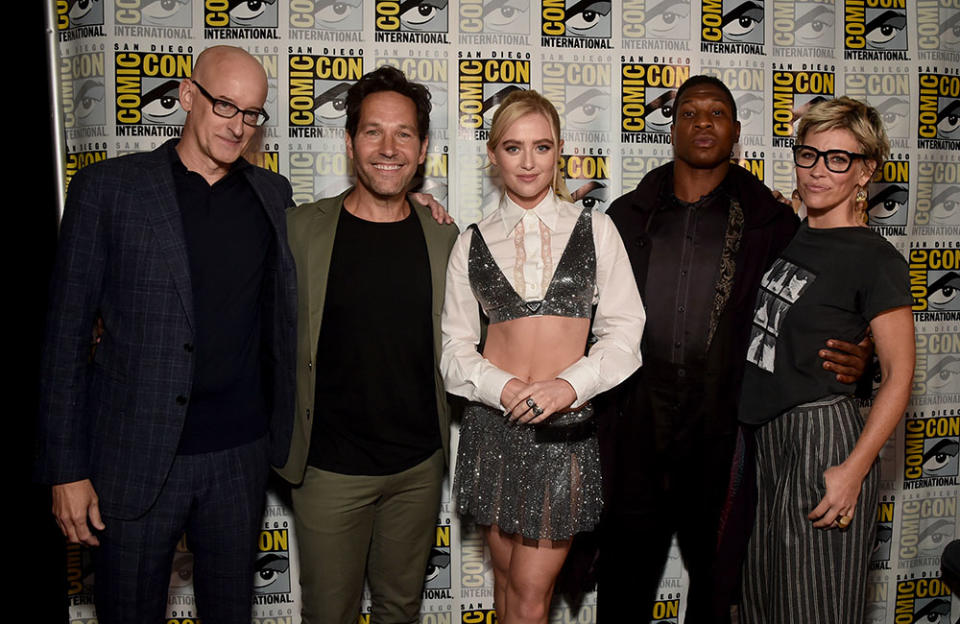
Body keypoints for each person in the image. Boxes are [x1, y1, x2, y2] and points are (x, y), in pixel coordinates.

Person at [36, 45, 296, 623]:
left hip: (240, 456)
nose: (239, 126)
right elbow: (64, 339)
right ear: (186, 95)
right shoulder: (108, 190)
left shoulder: (273, 196)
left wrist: (417, 202)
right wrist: (66, 469)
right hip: (134, 455)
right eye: (226, 105)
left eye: (253, 113)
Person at [599, 75, 872, 623]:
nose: (704, 122)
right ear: (672, 128)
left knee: (720, 589)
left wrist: (863, 357)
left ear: (737, 131)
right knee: (623, 586)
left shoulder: (773, 224)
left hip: (725, 440)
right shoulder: (624, 220)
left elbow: (815, 307)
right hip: (636, 433)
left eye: (717, 113)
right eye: (690, 113)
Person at [441, 90, 646, 624]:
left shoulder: (595, 228)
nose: (528, 161)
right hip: (493, 430)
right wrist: (502, 387)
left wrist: (568, 386)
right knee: (507, 585)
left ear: (560, 154)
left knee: (532, 594)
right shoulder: (472, 240)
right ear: (492, 155)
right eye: (513, 147)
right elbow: (455, 349)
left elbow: (626, 332)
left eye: (541, 147)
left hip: (563, 435)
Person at [276, 66, 459, 624]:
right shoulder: (298, 230)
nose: (388, 147)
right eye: (373, 131)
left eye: (403, 133)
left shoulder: (446, 238)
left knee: (400, 610)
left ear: (423, 148)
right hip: (330, 471)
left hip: (418, 469)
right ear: (350, 142)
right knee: (328, 614)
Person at [738, 97, 914, 623]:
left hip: (822, 441)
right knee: (760, 605)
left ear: (866, 172)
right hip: (765, 441)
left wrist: (853, 471)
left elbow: (900, 376)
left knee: (814, 608)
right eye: (808, 154)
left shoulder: (875, 259)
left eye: (838, 159)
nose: (819, 170)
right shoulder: (787, 232)